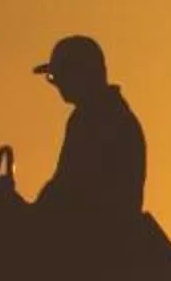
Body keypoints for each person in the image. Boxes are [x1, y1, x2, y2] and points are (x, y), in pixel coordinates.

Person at [29, 35, 147, 234]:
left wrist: (27, 214)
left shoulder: (97, 118)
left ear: (82, 73)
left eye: (60, 76)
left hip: (93, 237)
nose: (58, 85)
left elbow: (68, 188)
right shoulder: (109, 114)